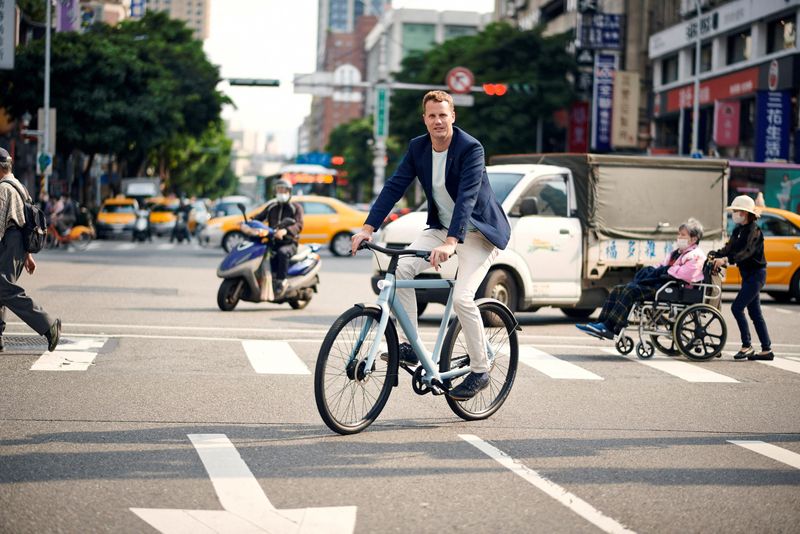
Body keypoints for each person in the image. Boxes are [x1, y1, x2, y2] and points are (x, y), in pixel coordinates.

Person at [350, 90, 512, 401]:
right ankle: (413, 346)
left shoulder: (471, 148)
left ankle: (480, 371)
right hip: (441, 230)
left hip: (477, 234)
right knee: (401, 272)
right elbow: (395, 185)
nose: (438, 121)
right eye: (432, 115)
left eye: (443, 114)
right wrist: (368, 228)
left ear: (453, 116)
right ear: (425, 119)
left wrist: (453, 241)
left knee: (464, 299)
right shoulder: (418, 147)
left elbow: (466, 198)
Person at [577, 218, 707, 339]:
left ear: (694, 239)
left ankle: (611, 327)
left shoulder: (696, 255)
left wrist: (664, 271)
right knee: (618, 289)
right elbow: (662, 266)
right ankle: (601, 324)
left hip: (675, 289)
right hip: (664, 285)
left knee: (630, 291)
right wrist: (653, 270)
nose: (679, 237)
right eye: (679, 234)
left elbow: (684, 274)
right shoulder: (676, 253)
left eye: (683, 235)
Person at [0, 147, 61, 353]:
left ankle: (47, 325)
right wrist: (26, 255)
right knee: (2, 290)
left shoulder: (3, 188)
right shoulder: (20, 186)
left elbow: (1, 223)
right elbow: (25, 222)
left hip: (8, 243)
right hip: (16, 245)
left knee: (5, 290)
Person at [711, 195, 773, 361]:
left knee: (737, 307)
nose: (735, 214)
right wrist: (716, 254)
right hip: (747, 276)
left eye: (737, 211)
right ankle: (766, 349)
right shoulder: (738, 230)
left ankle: (747, 346)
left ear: (745, 213)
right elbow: (730, 247)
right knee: (755, 313)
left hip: (757, 275)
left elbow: (746, 252)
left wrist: (726, 260)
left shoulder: (755, 231)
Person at [253, 179, 304, 298]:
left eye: (283, 189)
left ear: (289, 191)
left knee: (282, 252)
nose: (281, 192)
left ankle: (282, 281)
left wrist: (286, 230)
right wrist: (248, 222)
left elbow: (299, 225)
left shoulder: (296, 207)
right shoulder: (272, 206)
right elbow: (259, 217)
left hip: (289, 242)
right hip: (272, 241)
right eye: (278, 189)